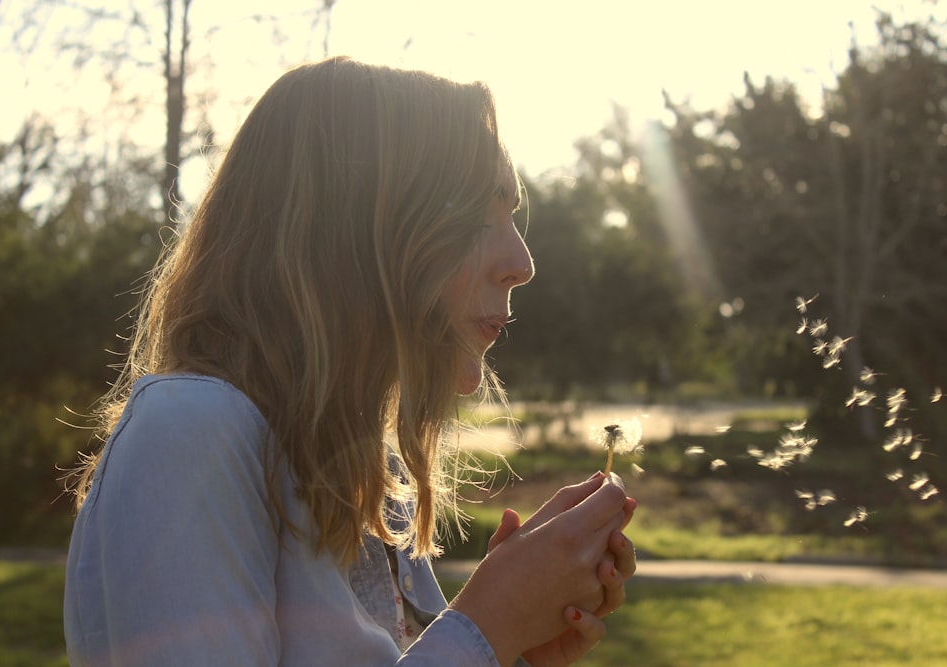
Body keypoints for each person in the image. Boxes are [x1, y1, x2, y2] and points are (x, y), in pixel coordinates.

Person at [63, 56, 637, 667]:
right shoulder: (189, 431)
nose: (522, 262)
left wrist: (517, 646)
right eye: (475, 214)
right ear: (353, 233)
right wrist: (484, 630)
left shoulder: (362, 474)